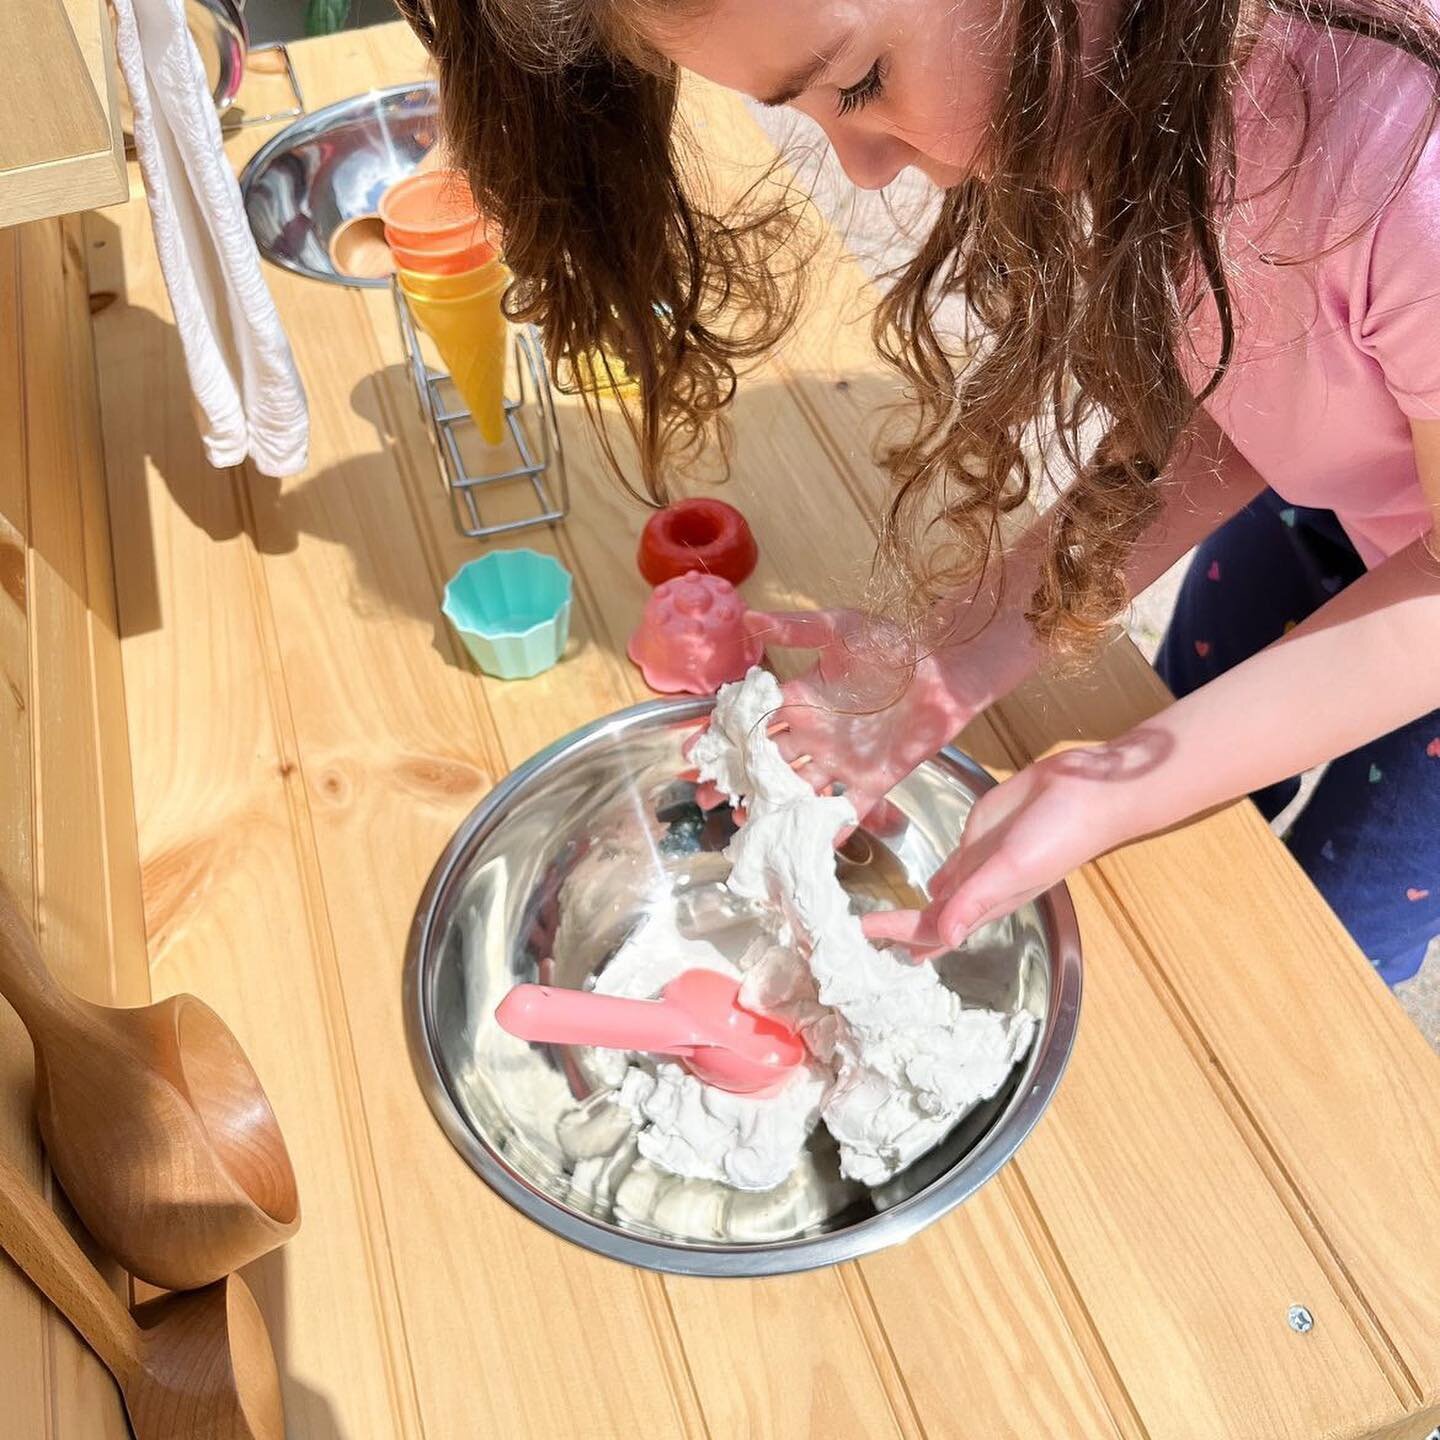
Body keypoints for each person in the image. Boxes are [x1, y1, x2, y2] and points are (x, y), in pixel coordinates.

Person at [396, 0, 1440, 984]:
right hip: (1338, 491)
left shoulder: (1407, 165)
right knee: (1207, 778)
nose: (862, 167)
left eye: (857, 83)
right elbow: (1261, 385)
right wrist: (954, 662)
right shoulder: (1182, 77)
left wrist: (1113, 787)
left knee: (1318, 943)